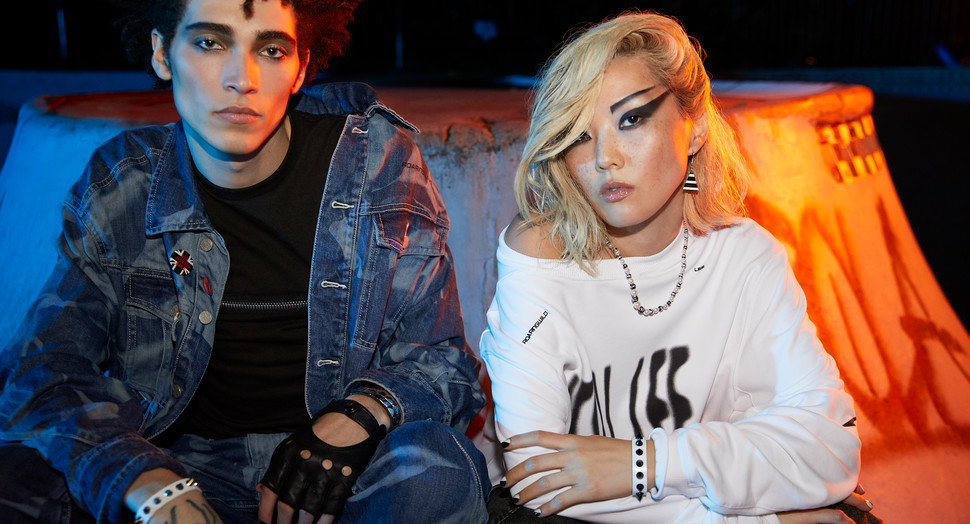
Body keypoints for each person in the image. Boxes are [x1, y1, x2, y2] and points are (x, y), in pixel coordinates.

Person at [0, 0, 488, 523]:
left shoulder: (376, 164)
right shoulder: (125, 182)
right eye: (210, 43)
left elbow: (444, 362)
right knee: (17, 477)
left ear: (300, 68)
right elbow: (44, 371)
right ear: (162, 54)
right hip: (177, 465)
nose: (242, 79)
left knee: (435, 468)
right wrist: (146, 483)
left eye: (271, 50)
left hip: (347, 475)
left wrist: (359, 414)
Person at [479, 11, 877, 524]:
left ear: (695, 129)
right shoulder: (541, 256)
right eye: (578, 135)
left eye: (631, 119)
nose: (604, 158)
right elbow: (538, 479)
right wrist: (768, 518)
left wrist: (645, 462)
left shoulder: (745, 256)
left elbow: (829, 449)